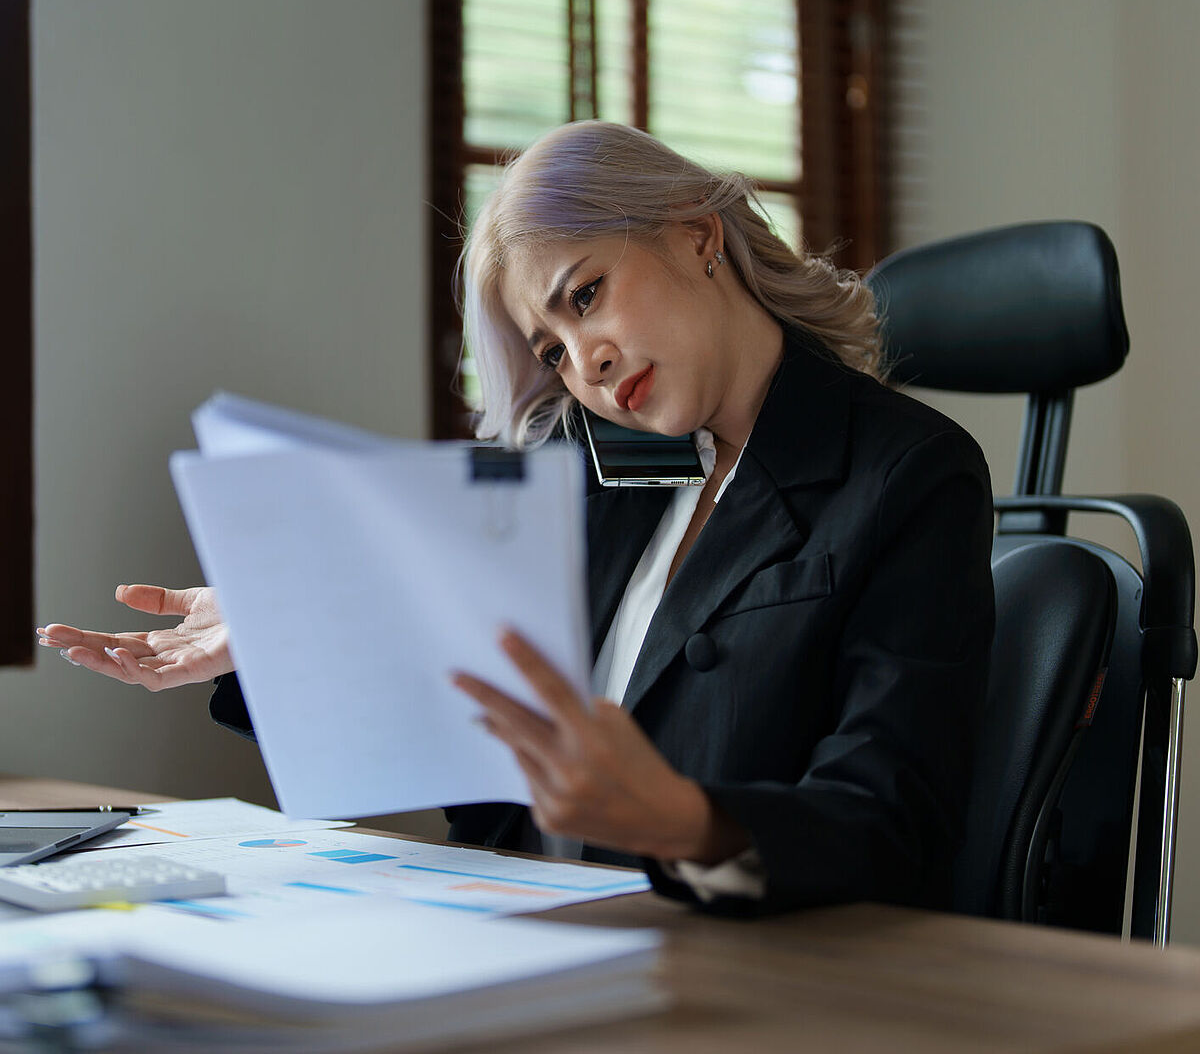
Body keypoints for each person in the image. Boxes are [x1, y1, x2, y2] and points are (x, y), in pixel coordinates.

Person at [39, 120, 994, 916]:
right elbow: (472, 760)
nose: (588, 363)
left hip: (735, 964)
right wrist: (287, 634)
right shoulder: (581, 469)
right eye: (553, 349)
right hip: (528, 925)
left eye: (588, 295)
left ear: (697, 237)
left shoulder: (906, 471)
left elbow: (888, 827)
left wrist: (679, 822)